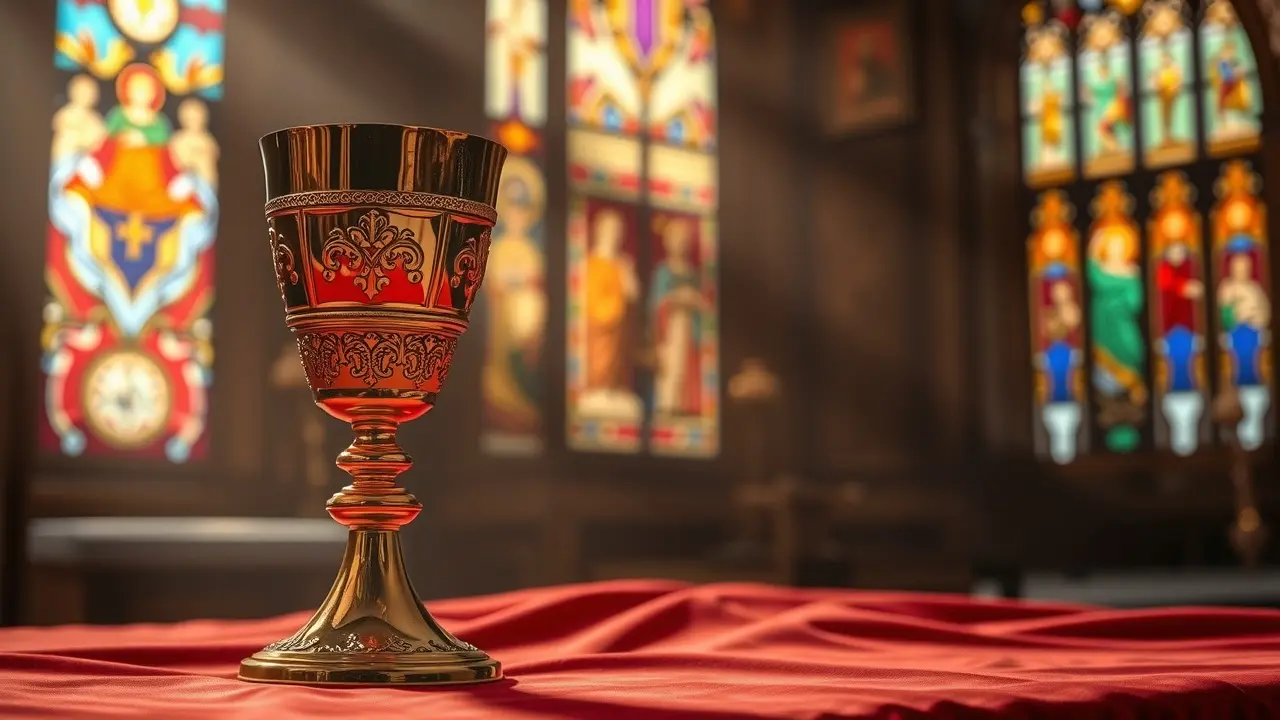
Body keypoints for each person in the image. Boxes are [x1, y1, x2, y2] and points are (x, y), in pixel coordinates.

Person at [649, 217, 703, 416]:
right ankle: (669, 407)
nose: (681, 243)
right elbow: (657, 304)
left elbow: (704, 302)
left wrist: (694, 299)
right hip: (671, 329)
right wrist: (677, 298)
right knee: (672, 369)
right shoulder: (663, 272)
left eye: (684, 239)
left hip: (690, 328)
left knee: (689, 369)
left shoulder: (693, 274)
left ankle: (688, 405)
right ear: (667, 242)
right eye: (676, 238)